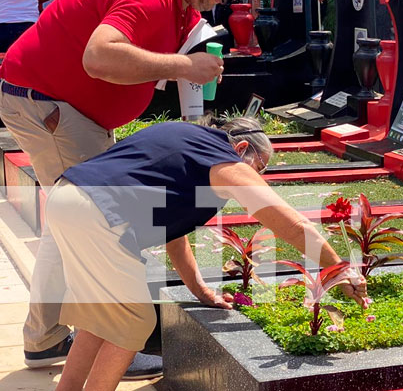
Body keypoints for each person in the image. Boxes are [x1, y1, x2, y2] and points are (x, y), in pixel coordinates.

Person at [0, 0, 258, 378]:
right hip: (52, 105)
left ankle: (46, 337)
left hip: (68, 108)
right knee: (92, 219)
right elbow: (99, 57)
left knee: (76, 219)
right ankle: (93, 336)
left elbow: (164, 206)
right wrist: (187, 65)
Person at [43, 118, 368, 390]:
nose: (259, 178)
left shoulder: (189, 139)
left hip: (66, 197)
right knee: (134, 323)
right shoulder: (224, 160)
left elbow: (174, 234)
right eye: (260, 169)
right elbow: (294, 226)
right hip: (98, 214)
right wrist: (339, 269)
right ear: (242, 149)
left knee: (100, 317)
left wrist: (199, 290)